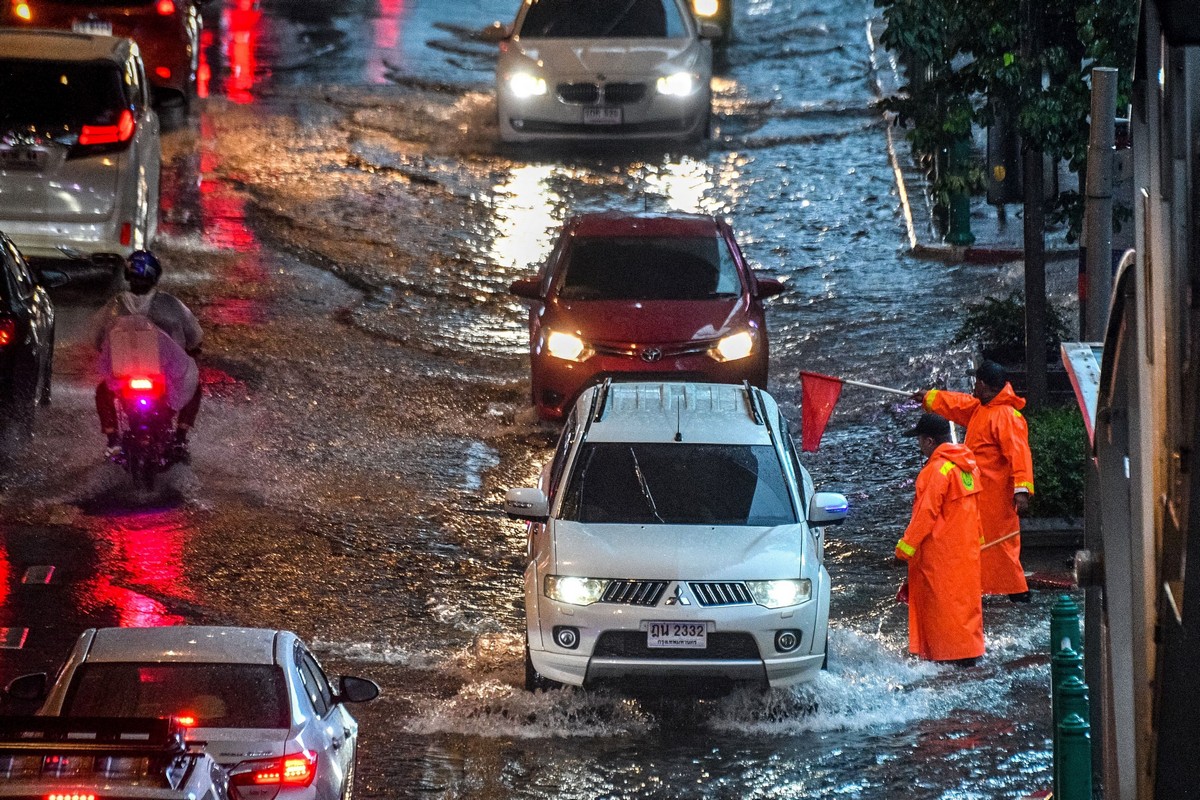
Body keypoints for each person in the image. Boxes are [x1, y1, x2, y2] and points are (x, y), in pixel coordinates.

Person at [915, 361, 1035, 601]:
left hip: (998, 493)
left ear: (982, 383)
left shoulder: (1006, 416)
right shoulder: (984, 408)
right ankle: (994, 588)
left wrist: (1022, 491)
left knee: (1001, 543)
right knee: (983, 541)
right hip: (981, 490)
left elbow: (1019, 454)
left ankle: (1017, 592)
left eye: (976, 382)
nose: (973, 387)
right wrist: (930, 398)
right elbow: (957, 404)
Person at [90, 250, 203, 458]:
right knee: (195, 387)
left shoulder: (114, 306)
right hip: (163, 376)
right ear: (155, 276)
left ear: (127, 275)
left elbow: (97, 338)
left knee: (103, 392)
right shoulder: (172, 304)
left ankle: (113, 440)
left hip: (123, 376)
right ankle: (180, 438)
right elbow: (194, 335)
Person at [895, 412, 985, 666]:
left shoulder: (935, 471)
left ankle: (945, 655)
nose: (919, 445)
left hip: (940, 554)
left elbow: (925, 515)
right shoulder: (968, 466)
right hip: (966, 552)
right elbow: (974, 512)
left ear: (929, 441)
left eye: (920, 440)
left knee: (940, 608)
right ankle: (968, 652)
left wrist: (904, 550)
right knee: (964, 606)